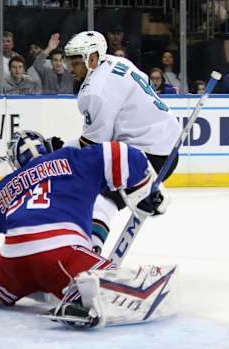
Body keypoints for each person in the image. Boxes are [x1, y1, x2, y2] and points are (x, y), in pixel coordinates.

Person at [0, 130, 171, 328]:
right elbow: (126, 156)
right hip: (61, 253)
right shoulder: (75, 157)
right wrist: (146, 191)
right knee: (117, 281)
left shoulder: (9, 184)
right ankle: (78, 298)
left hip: (11, 260)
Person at [63, 31, 181, 252]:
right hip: (167, 146)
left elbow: (93, 146)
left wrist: (59, 151)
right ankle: (148, 189)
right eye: (70, 62)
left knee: (98, 198)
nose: (71, 68)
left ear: (93, 57)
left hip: (145, 155)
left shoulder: (94, 92)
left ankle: (90, 252)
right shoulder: (118, 62)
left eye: (76, 62)